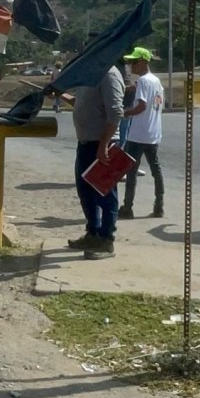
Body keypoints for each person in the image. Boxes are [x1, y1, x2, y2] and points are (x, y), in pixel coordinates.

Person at [68, 65, 125, 259]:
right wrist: (59, 94)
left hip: (102, 145)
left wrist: (104, 145)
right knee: (85, 192)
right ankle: (93, 233)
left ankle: (106, 240)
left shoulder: (109, 74)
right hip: (85, 143)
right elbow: (83, 103)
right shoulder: (89, 72)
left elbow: (116, 112)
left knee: (105, 193)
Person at [118, 47, 165, 219]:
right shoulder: (157, 81)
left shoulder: (144, 81)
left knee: (131, 172)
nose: (130, 65)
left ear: (144, 62)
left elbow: (141, 106)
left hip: (138, 133)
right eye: (130, 62)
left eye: (134, 62)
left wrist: (125, 112)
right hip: (153, 133)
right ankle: (159, 206)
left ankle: (127, 208)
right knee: (156, 170)